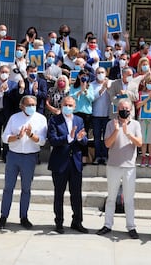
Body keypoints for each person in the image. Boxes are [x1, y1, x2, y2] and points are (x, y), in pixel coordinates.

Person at [0, 95, 47, 229]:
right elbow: (5, 137)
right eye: (28, 104)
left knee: (26, 189)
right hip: (13, 156)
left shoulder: (41, 119)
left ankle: (24, 216)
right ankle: (3, 216)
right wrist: (18, 136)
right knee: (8, 188)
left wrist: (30, 135)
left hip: (30, 157)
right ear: (22, 106)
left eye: (33, 104)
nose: (31, 107)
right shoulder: (14, 118)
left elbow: (42, 141)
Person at [96, 99, 142, 239]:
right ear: (117, 109)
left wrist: (128, 134)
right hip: (113, 165)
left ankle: (131, 226)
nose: (124, 110)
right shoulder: (111, 123)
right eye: (122, 108)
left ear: (130, 110)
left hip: (129, 167)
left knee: (129, 199)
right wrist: (117, 131)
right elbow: (108, 144)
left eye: (127, 108)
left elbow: (139, 143)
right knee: (111, 197)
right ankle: (108, 224)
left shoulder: (135, 124)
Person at [47, 96, 88, 234]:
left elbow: (84, 139)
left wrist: (81, 139)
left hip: (75, 162)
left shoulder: (79, 120)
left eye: (70, 105)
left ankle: (77, 221)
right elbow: (52, 140)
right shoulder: (54, 120)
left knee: (76, 194)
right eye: (66, 104)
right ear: (61, 105)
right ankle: (59, 222)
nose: (68, 107)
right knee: (59, 194)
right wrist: (68, 138)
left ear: (75, 106)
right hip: (60, 162)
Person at [0, 65, 22, 163]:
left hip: (8, 113)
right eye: (2, 72)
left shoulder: (13, 85)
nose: (4, 74)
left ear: (9, 74)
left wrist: (6, 91)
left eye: (6, 72)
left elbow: (16, 99)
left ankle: (6, 155)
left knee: (7, 135)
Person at [136, 73, 151, 167]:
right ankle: (143, 157)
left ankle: (150, 157)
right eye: (148, 82)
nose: (149, 84)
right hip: (142, 118)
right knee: (143, 140)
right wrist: (147, 99)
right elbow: (137, 105)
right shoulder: (140, 93)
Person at [91, 67, 111, 165]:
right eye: (98, 72)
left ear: (106, 73)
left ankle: (106, 156)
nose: (100, 74)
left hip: (107, 114)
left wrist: (108, 87)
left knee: (107, 137)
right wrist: (103, 88)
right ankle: (98, 156)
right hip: (96, 115)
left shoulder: (110, 83)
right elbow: (92, 98)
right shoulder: (91, 85)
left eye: (102, 72)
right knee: (97, 137)